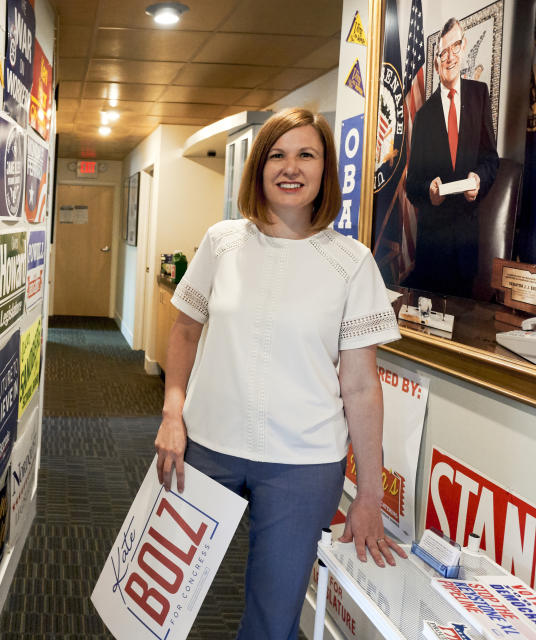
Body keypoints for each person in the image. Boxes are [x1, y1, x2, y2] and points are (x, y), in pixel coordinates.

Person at [155, 107, 406, 640]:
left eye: (306, 155)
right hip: (207, 445)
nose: (290, 167)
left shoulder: (352, 262)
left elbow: (361, 387)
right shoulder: (222, 243)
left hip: (302, 463)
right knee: (157, 595)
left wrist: (367, 495)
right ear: (259, 168)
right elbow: (183, 332)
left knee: (271, 621)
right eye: (277, 154)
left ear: (325, 170)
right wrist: (172, 414)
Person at [404, 17, 498, 298]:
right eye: (443, 52)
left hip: (466, 247)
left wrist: (478, 179)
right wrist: (429, 193)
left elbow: (491, 159)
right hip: (433, 248)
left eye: (455, 47)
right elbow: (412, 185)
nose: (450, 57)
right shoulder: (423, 116)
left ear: (463, 46)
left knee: (465, 326)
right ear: (436, 60)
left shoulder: (479, 95)